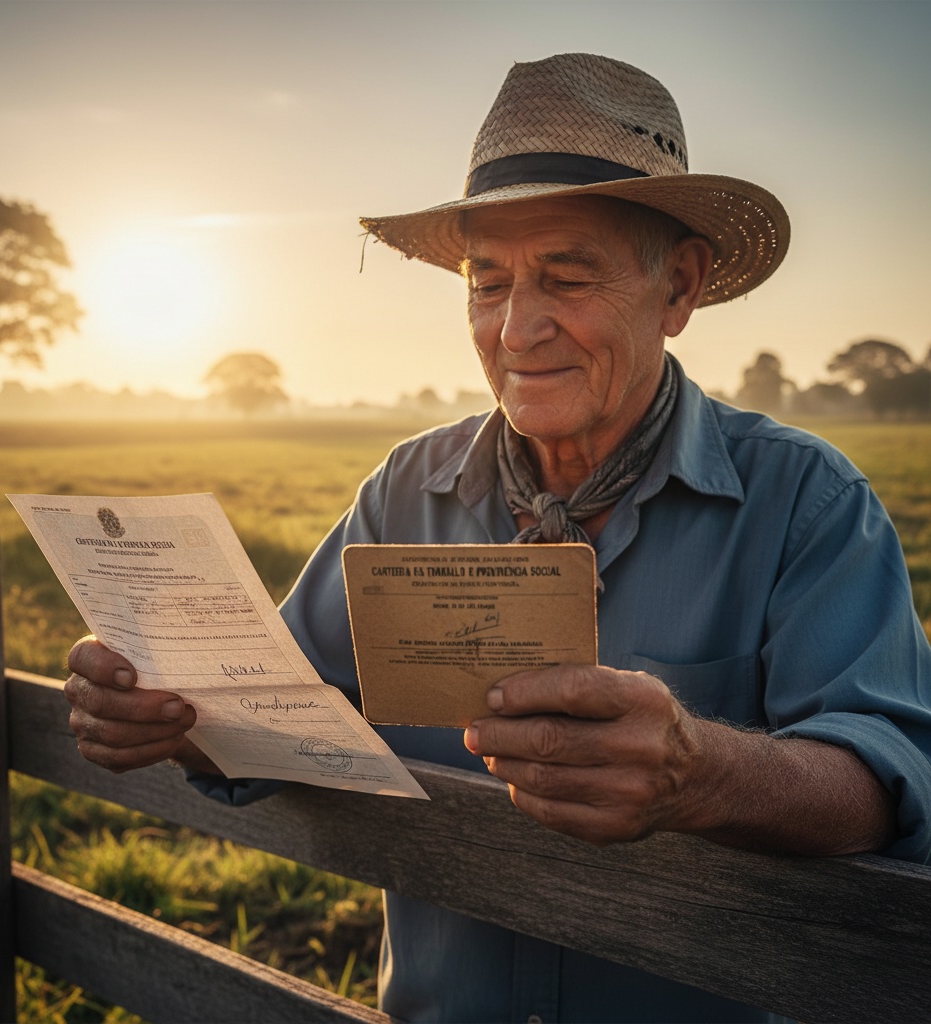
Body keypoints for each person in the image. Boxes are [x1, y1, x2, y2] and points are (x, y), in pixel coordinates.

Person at [65, 54, 931, 1023]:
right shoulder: (405, 494)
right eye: (488, 283)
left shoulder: (803, 504)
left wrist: (697, 769)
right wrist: (172, 717)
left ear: (678, 289)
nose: (517, 328)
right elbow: (279, 711)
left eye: (565, 277)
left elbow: (888, 775)